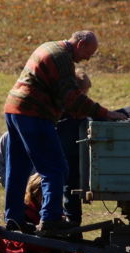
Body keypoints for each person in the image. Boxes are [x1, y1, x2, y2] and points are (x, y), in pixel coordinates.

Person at [3, 30, 126, 237]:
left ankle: (13, 218)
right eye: (89, 52)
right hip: (34, 114)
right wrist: (106, 114)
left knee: (17, 168)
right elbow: (72, 98)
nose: (88, 58)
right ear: (80, 44)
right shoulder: (62, 59)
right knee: (56, 168)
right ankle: (50, 219)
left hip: (14, 109)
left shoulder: (48, 45)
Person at [56, 68, 92, 225]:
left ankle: (73, 220)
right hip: (68, 153)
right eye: (83, 93)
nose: (85, 97)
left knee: (72, 187)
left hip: (76, 153)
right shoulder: (65, 110)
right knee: (69, 187)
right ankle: (70, 219)